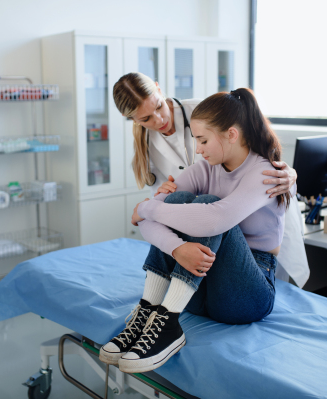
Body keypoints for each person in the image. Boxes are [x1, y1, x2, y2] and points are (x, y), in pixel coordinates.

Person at [99, 88, 295, 374]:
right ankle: (150, 310)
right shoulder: (206, 169)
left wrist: (146, 209)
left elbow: (214, 221)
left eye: (203, 141)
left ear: (231, 134)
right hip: (199, 292)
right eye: (196, 141)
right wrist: (177, 248)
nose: (198, 150)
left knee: (207, 207)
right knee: (179, 201)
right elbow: (150, 221)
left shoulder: (266, 174)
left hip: (248, 296)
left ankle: (166, 324)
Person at [112, 72, 309, 288]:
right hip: (206, 229)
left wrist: (290, 172)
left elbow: (258, 149)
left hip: (249, 221)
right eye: (146, 119)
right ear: (133, 120)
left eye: (158, 107)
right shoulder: (146, 145)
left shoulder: (201, 111)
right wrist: (174, 243)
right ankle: (156, 304)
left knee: (274, 282)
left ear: (159, 89)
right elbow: (159, 208)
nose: (159, 120)